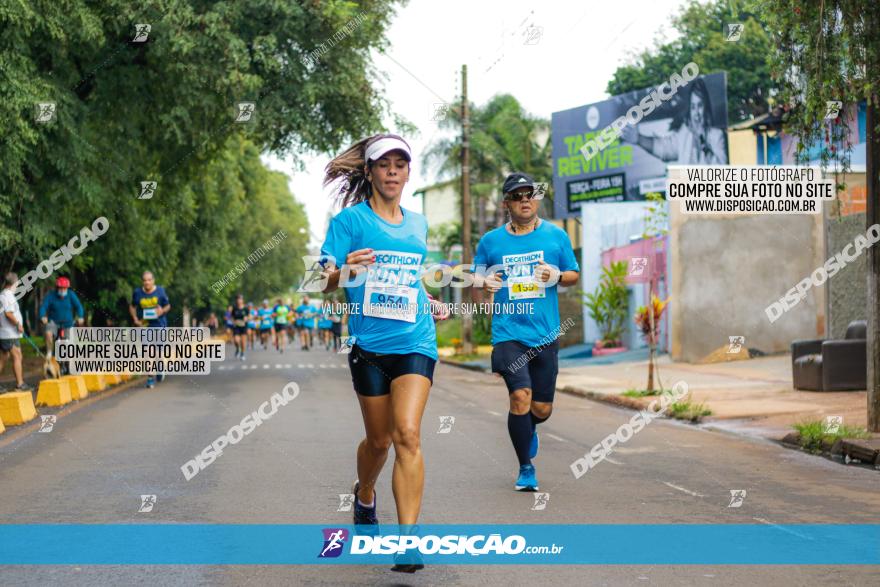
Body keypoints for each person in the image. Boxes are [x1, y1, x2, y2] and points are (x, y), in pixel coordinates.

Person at [320, 133, 447, 573]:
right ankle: (364, 494)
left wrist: (428, 300)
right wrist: (345, 269)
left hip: (416, 340)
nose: (393, 171)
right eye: (384, 164)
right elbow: (318, 281)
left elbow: (409, 277)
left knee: (407, 434)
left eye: (400, 164)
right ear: (370, 172)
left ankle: (408, 542)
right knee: (378, 441)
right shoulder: (349, 223)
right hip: (369, 347)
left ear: (408, 173)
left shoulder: (418, 223)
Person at [474, 172, 580, 492]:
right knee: (520, 396)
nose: (524, 200)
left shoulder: (556, 236)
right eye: (517, 196)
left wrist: (557, 274)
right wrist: (484, 282)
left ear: (537, 199)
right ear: (507, 202)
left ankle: (529, 428)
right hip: (508, 333)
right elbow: (476, 279)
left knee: (541, 409)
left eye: (529, 194)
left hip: (545, 334)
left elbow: (574, 274)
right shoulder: (490, 241)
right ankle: (525, 467)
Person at [619, 77, 727, 165]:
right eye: (693, 107)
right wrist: (638, 139)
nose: (696, 113)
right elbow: (665, 149)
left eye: (700, 106)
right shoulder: (686, 132)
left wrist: (702, 142)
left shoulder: (717, 136)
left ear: (706, 108)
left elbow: (722, 169)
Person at [129, 271, 171, 388]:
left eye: (149, 280)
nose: (147, 282)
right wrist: (135, 318)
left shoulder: (160, 291)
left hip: (159, 325)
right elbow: (132, 306)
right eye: (145, 280)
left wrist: (162, 311)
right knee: (148, 351)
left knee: (158, 353)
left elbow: (168, 306)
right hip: (145, 326)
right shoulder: (137, 293)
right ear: (142, 282)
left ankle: (160, 367)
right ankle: (150, 378)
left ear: (153, 280)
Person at [39, 276, 85, 372]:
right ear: (57, 288)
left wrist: (80, 317)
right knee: (48, 332)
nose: (63, 290)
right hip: (54, 323)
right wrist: (43, 316)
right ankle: (49, 352)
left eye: (65, 288)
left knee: (69, 344)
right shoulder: (51, 296)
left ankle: (68, 364)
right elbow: (43, 307)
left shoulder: (71, 295)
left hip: (68, 324)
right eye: (61, 288)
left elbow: (79, 307)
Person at [0, 273, 32, 392]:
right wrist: (18, 324)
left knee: (4, 357)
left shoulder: (3, 295)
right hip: (10, 333)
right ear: (14, 283)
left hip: (6, 332)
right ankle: (20, 384)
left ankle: (20, 383)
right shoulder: (8, 296)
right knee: (17, 355)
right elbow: (8, 313)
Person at [230, 295, 249, 360]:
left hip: (244, 326)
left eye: (240, 299)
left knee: (243, 342)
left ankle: (242, 353)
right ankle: (238, 349)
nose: (239, 300)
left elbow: (249, 316)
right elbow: (232, 317)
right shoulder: (234, 308)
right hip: (236, 327)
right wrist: (233, 322)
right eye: (237, 299)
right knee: (236, 340)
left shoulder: (246, 308)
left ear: (242, 300)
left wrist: (247, 318)